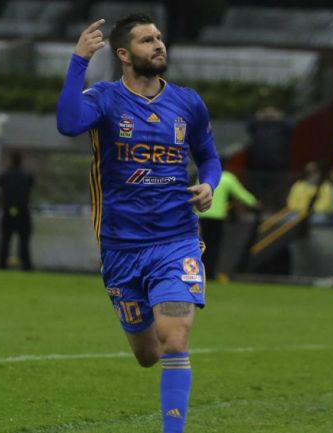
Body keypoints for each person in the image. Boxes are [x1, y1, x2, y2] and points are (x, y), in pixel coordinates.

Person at [57, 14, 221, 433]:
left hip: (176, 241)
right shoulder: (106, 98)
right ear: (124, 54)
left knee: (176, 338)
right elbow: (68, 123)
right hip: (121, 247)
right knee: (148, 353)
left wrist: (209, 185)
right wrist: (78, 60)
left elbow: (209, 156)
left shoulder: (187, 102)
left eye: (160, 38)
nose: (159, 45)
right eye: (148, 40)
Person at [198, 167, 258, 280]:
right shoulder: (227, 177)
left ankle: (200, 271)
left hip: (202, 215)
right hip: (217, 217)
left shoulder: (203, 176)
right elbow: (240, 193)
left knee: (202, 245)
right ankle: (210, 273)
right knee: (214, 246)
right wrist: (255, 203)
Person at [0, 152, 35, 271]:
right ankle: (26, 266)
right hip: (23, 212)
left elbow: (1, 186)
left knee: (5, 240)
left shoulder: (4, 175)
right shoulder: (27, 176)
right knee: (24, 241)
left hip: (8, 211)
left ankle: (2, 265)